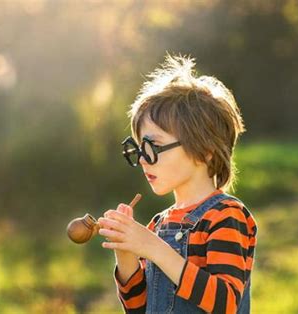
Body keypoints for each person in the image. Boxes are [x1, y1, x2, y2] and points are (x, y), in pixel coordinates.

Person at [97, 54, 258, 314]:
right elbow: (139, 309)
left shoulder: (226, 216)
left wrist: (152, 247)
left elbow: (224, 304)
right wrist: (126, 255)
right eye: (139, 149)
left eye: (154, 147)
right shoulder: (160, 224)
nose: (143, 160)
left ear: (204, 150)